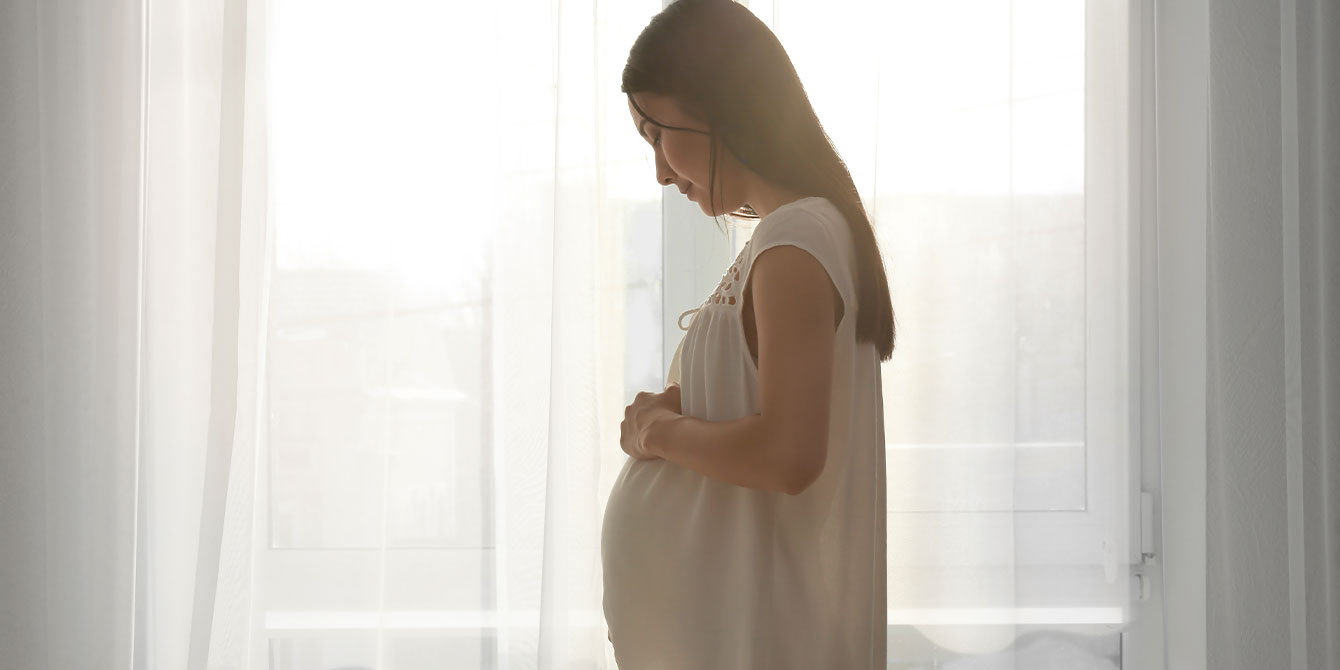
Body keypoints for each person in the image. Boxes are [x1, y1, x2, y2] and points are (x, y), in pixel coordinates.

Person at [600, 0, 896, 667]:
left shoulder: (796, 238)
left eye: (658, 135)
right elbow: (764, 416)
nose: (659, 171)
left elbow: (788, 454)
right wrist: (680, 410)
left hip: (757, 639)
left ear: (721, 109)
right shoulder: (796, 234)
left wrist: (658, 434)